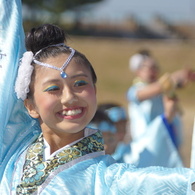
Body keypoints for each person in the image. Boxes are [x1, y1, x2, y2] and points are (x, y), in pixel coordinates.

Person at [1, 1, 195, 194]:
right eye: (53, 88)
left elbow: (163, 182)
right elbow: (6, 34)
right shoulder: (13, 143)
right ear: (30, 105)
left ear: (95, 90)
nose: (69, 97)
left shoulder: (107, 177)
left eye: (80, 84)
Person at [127, 50, 184, 150]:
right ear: (138, 71)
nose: (153, 71)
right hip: (145, 145)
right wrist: (172, 79)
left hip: (165, 142)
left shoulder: (162, 91)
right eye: (149, 68)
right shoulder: (136, 89)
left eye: (155, 68)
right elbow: (147, 92)